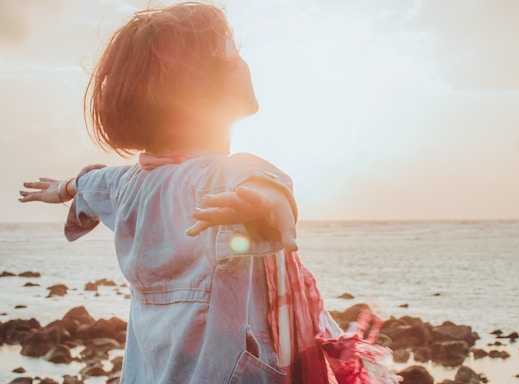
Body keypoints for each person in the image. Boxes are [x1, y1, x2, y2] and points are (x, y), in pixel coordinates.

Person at [20, 3, 400, 384]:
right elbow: (259, 181)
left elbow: (90, 183)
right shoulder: (221, 176)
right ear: (194, 86)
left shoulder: (126, 185)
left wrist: (62, 189)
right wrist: (264, 202)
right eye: (232, 54)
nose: (244, 64)